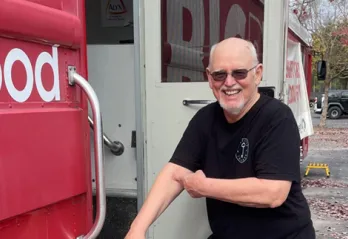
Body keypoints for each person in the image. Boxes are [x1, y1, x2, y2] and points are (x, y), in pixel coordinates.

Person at [125, 37, 315, 239]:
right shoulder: (205, 119)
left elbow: (272, 192)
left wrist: (203, 187)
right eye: (219, 75)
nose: (229, 82)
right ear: (209, 78)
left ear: (257, 74)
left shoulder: (277, 118)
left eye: (239, 73)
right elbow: (174, 173)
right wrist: (137, 228)